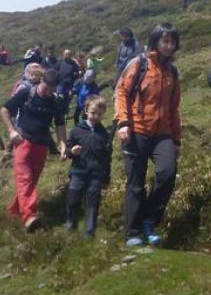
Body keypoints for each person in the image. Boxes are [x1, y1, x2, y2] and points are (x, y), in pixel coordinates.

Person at [114, 23, 182, 247]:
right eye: (165, 41)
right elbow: (121, 91)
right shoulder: (139, 63)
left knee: (167, 173)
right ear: (155, 41)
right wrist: (123, 122)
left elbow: (174, 109)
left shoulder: (173, 72)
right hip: (137, 130)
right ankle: (132, 231)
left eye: (172, 42)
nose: (168, 45)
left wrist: (176, 139)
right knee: (136, 182)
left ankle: (148, 220)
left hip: (162, 133)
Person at [1, 67, 68, 232]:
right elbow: (5, 110)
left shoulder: (55, 101)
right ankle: (29, 216)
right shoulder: (26, 93)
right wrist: (11, 130)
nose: (48, 92)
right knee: (25, 179)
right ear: (41, 81)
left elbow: (60, 124)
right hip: (23, 142)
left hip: (41, 146)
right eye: (46, 88)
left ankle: (14, 213)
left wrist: (62, 145)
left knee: (31, 182)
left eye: (52, 90)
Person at [64, 95, 113, 237]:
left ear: (103, 114)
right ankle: (71, 225)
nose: (95, 116)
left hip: (96, 175)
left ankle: (90, 232)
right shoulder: (76, 131)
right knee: (73, 199)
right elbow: (68, 149)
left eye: (99, 114)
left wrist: (106, 177)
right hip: (78, 171)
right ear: (86, 110)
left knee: (92, 203)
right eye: (93, 112)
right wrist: (71, 152)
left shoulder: (104, 134)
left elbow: (107, 157)